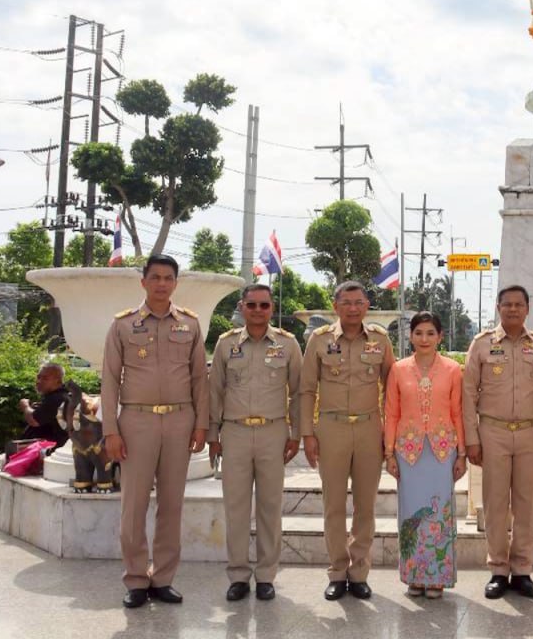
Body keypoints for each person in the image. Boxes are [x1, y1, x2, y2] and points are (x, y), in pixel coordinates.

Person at [101, 254, 208, 609]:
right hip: (136, 422)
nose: (162, 283)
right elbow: (109, 381)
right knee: (133, 505)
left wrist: (201, 424)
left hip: (180, 421)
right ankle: (135, 579)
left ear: (175, 283)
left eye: (168, 278)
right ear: (143, 281)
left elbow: (199, 378)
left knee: (171, 505)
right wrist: (111, 430)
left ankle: (163, 578)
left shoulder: (190, 324)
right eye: (156, 277)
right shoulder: (122, 325)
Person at [299, 280, 396, 601]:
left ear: (367, 306)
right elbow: (307, 389)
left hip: (369, 429)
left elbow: (392, 389)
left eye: (359, 302)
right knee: (334, 505)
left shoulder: (380, 340)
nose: (353, 308)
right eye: (346, 303)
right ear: (335, 306)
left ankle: (359, 573)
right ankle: (338, 572)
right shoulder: (319, 339)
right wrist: (308, 434)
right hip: (332, 429)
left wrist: (390, 434)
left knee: (366, 506)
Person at [207, 284, 302, 602]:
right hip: (234, 433)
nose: (258, 310)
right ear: (242, 307)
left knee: (270, 507)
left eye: (264, 305)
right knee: (235, 508)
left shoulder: (288, 344)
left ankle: (265, 576)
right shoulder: (226, 343)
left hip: (273, 433)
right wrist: (213, 436)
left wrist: (296, 434)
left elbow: (299, 392)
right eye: (252, 305)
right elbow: (214, 391)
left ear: (272, 308)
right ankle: (237, 575)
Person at [462, 285, 533, 600]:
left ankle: (523, 570)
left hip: (530, 432)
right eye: (507, 304)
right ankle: (499, 569)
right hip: (493, 432)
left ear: (527, 308)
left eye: (518, 304)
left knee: (526, 505)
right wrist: (472, 438)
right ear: (498, 307)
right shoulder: (482, 344)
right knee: (495, 504)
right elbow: (468, 393)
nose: (513, 309)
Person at [385, 311, 465, 599]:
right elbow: (391, 412)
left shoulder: (453, 369)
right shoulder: (398, 369)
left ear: (440, 336)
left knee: (439, 514)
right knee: (411, 514)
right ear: (410, 336)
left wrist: (462, 453)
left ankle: (438, 577)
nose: (424, 338)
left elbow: (458, 412)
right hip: (408, 453)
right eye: (418, 333)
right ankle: (414, 577)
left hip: (443, 451)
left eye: (431, 333)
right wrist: (389, 453)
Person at [0, 362, 71, 522]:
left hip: (43, 452)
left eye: (45, 378)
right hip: (43, 449)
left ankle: (3, 510)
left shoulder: (56, 399)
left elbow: (34, 419)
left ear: (58, 380)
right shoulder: (60, 397)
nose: (39, 381)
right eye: (38, 377)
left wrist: (25, 406)